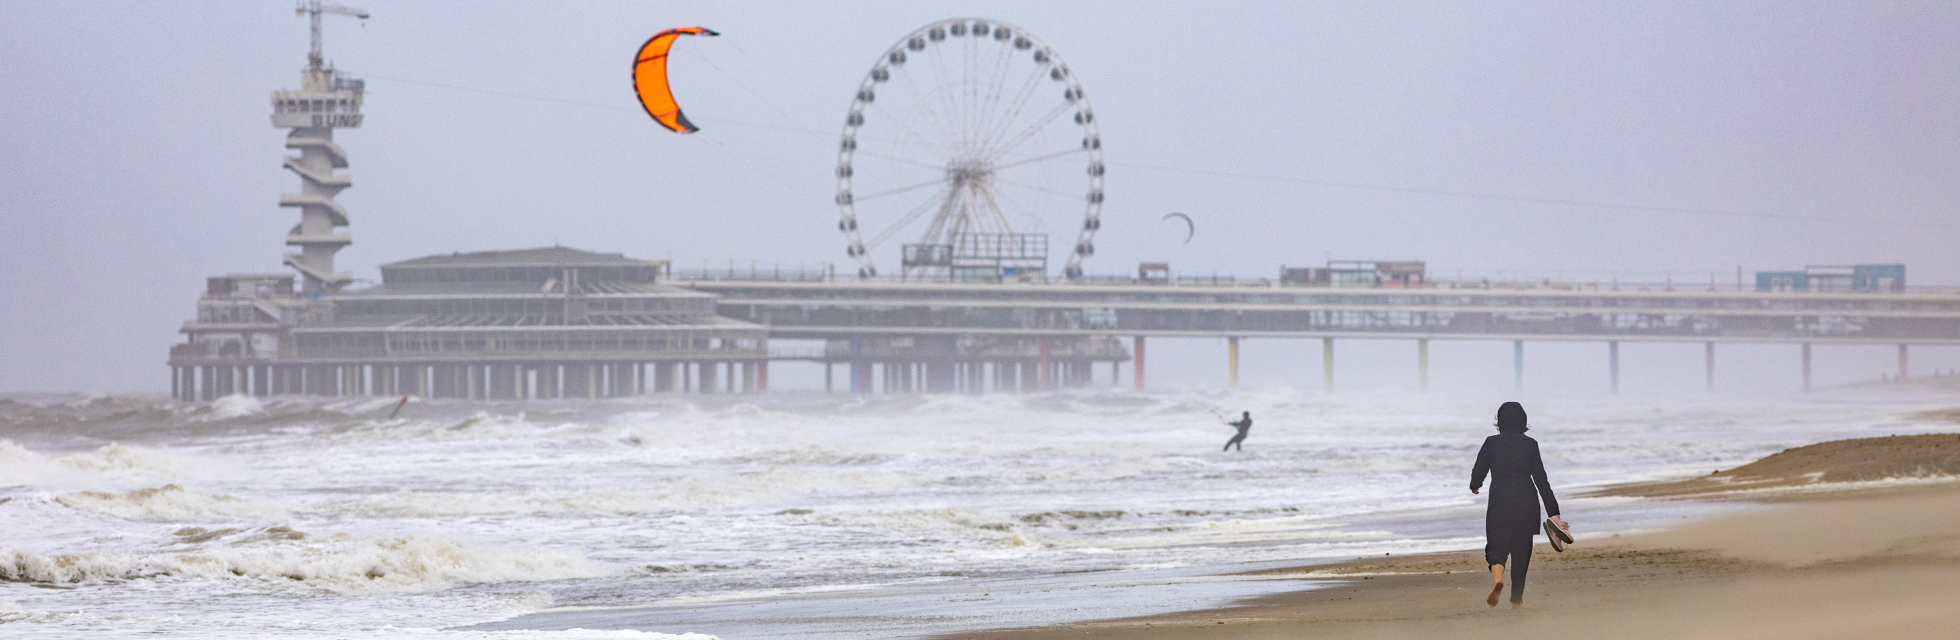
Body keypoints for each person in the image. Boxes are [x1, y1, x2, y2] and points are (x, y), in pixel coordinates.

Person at [1470, 401, 1567, 609]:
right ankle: (1516, 601)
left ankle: (1498, 580)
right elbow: (1541, 480)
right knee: (1521, 551)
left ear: (1500, 421)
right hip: (1527, 502)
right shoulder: (1530, 444)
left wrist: (1475, 485)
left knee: (1496, 546)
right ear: (1523, 421)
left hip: (1500, 501)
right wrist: (1554, 513)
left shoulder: (1491, 443)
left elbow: (1479, 469)